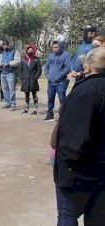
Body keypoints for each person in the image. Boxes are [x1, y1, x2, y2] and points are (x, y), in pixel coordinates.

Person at [53, 47, 105, 226]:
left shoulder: (85, 91)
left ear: (89, 68)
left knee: (67, 216)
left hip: (79, 174)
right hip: (101, 173)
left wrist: (67, 168)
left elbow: (73, 141)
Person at [44, 41, 71, 122]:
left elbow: (67, 68)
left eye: (56, 47)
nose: (54, 49)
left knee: (62, 99)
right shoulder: (50, 56)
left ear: (60, 47)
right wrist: (47, 75)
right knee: (50, 99)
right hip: (50, 82)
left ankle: (64, 116)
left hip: (61, 82)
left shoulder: (66, 55)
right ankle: (49, 115)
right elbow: (46, 66)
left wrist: (58, 77)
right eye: (53, 47)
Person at [18, 44, 42, 116]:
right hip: (25, 80)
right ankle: (26, 109)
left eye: (31, 50)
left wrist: (35, 77)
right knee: (26, 94)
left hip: (33, 80)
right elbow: (20, 70)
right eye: (28, 50)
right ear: (26, 51)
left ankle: (35, 110)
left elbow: (39, 69)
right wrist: (22, 78)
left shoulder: (36, 59)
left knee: (34, 95)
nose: (30, 51)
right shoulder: (23, 59)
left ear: (34, 51)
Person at [0, 40, 21, 111]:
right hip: (3, 73)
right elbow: (0, 60)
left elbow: (18, 61)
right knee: (4, 89)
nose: (3, 47)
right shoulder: (3, 52)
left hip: (11, 73)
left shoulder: (15, 51)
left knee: (11, 89)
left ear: (8, 45)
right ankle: (7, 102)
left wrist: (9, 63)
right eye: (3, 46)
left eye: (4, 45)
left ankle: (13, 104)